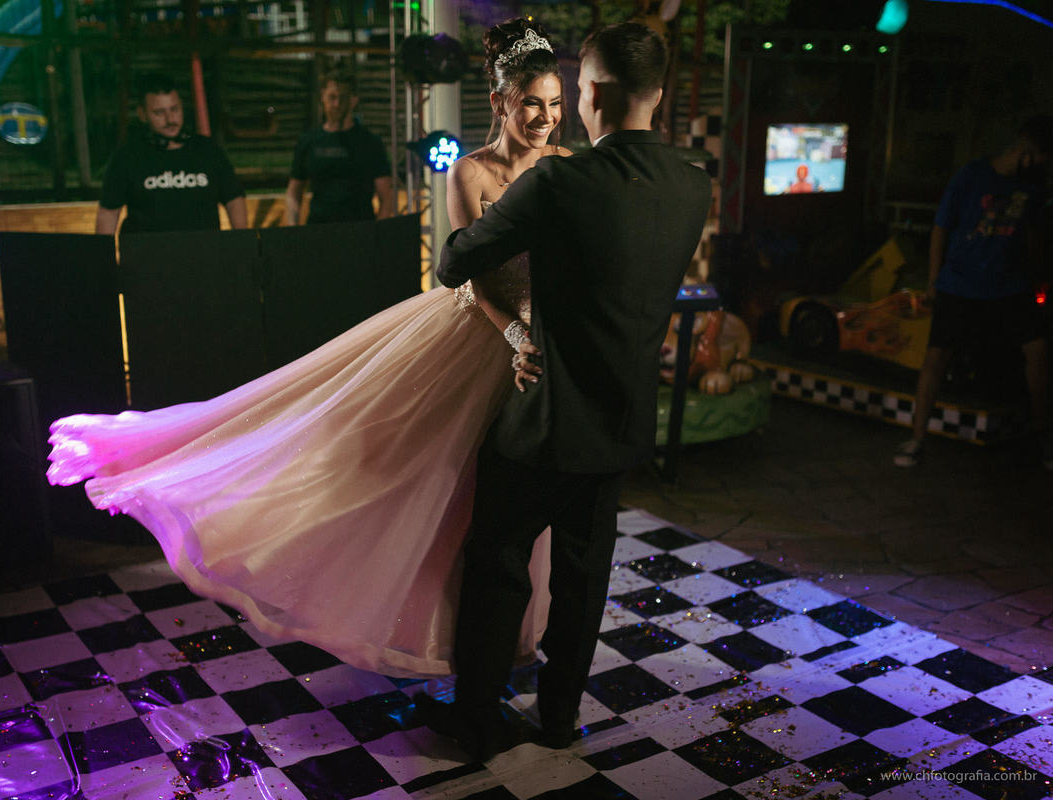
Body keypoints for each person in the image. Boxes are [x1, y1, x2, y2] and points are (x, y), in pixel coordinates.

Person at [46, 19, 569, 678]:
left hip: (543, 348)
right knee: (428, 487)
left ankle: (516, 635)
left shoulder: (571, 170)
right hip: (478, 335)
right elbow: (471, 273)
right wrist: (516, 329)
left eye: (555, 104)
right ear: (499, 103)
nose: (546, 117)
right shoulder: (470, 173)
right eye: (532, 103)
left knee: (523, 500)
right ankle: (430, 626)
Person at [421, 22, 711, 760]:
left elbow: (456, 261)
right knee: (584, 580)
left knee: (498, 561)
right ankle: (556, 718)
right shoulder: (692, 182)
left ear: (596, 93)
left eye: (576, 90)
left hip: (544, 417)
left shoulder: (559, 180)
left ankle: (480, 718)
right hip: (620, 423)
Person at [895, 116, 1051, 470]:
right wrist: (934, 280)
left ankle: (1043, 437)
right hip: (961, 284)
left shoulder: (1032, 189)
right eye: (1040, 159)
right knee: (935, 359)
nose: (1041, 168)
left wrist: (1037, 274)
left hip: (1009, 286)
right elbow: (940, 228)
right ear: (1025, 151)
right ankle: (917, 439)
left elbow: (1034, 236)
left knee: (1039, 354)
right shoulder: (971, 177)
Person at [96, 73, 248, 236]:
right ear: (142, 114)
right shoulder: (128, 156)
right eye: (159, 113)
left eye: (174, 109)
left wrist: (243, 244)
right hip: (147, 256)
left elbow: (234, 199)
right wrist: (104, 258)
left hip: (204, 254)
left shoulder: (207, 150)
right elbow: (109, 212)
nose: (170, 119)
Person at [285, 72, 395, 225]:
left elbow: (386, 195)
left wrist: (376, 234)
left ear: (353, 100)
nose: (336, 104)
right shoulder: (308, 142)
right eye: (332, 97)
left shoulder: (370, 142)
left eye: (342, 98)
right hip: (319, 230)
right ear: (322, 97)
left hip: (360, 232)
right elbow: (294, 191)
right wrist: (293, 228)